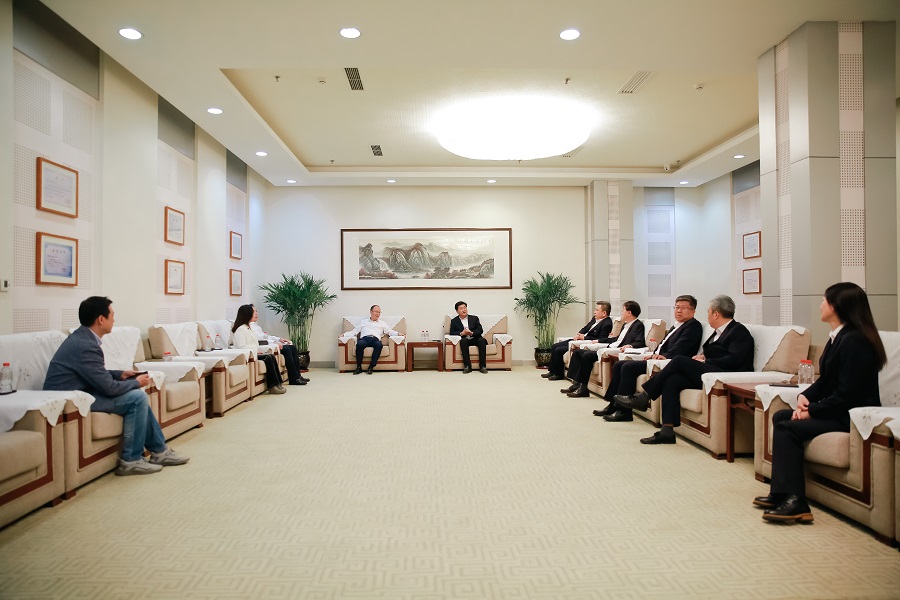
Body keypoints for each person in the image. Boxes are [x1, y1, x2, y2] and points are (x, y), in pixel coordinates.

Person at [753, 282, 885, 523]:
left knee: (787, 428)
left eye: (825, 300)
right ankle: (780, 493)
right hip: (839, 409)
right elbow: (825, 382)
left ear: (837, 306)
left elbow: (848, 393)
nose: (821, 304)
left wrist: (812, 411)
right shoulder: (839, 337)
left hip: (852, 416)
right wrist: (806, 398)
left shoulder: (855, 340)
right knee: (781, 416)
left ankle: (796, 501)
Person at [44, 296, 190, 476]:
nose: (114, 319)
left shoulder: (83, 338)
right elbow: (109, 388)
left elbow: (92, 372)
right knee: (137, 397)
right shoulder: (84, 345)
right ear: (101, 319)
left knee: (137, 395)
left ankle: (159, 452)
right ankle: (131, 460)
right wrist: (136, 382)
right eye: (112, 315)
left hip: (82, 392)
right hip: (71, 400)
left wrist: (120, 374)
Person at [615, 294, 754, 444]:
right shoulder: (718, 332)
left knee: (679, 360)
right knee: (672, 380)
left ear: (716, 314)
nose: (707, 315)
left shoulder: (738, 331)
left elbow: (735, 359)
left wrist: (706, 360)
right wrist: (703, 356)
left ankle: (645, 396)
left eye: (708, 312)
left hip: (725, 375)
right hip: (712, 371)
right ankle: (667, 431)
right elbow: (718, 352)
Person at [595, 295, 703, 422]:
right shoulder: (676, 326)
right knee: (619, 364)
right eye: (677, 307)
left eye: (683, 308)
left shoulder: (693, 326)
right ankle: (613, 405)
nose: (679, 311)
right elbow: (662, 345)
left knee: (628, 366)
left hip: (668, 362)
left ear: (693, 311)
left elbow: (681, 347)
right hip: (656, 359)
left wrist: (663, 356)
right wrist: (653, 354)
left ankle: (624, 412)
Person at [562, 301, 646, 398]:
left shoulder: (638, 325)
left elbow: (640, 342)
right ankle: (576, 384)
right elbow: (616, 339)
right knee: (578, 352)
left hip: (617, 350)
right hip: (611, 346)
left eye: (623, 310)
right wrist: (599, 340)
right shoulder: (625, 325)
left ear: (629, 313)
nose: (621, 312)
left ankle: (583, 389)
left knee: (587, 355)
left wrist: (630, 346)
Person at [543, 301, 613, 381]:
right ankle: (552, 371)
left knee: (558, 350)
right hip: (579, 339)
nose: (594, 312)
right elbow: (585, 328)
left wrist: (584, 338)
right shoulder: (594, 319)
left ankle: (558, 374)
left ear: (604, 313)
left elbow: (600, 339)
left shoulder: (607, 324)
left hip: (586, 342)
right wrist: (579, 334)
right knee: (554, 346)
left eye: (597, 310)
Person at [233, 304, 287, 394]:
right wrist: (255, 352)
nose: (255, 314)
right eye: (253, 312)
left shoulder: (249, 328)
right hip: (248, 356)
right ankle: (272, 386)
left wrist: (258, 351)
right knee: (269, 358)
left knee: (271, 356)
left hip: (254, 353)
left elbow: (255, 344)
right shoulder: (240, 329)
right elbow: (242, 347)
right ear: (247, 314)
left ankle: (278, 384)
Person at [248, 305, 308, 384]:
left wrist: (279, 339)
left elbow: (266, 336)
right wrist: (274, 343)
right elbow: (260, 340)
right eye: (254, 312)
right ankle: (293, 379)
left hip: (270, 344)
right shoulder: (249, 327)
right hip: (264, 347)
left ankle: (298, 376)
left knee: (292, 347)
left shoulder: (256, 326)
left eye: (256, 311)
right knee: (287, 350)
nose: (256, 313)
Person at [341, 305, 399, 374]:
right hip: (364, 339)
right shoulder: (363, 322)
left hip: (375, 339)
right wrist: (344, 335)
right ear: (371, 312)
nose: (378, 314)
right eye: (376, 312)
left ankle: (371, 367)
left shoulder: (382, 323)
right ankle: (358, 367)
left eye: (379, 312)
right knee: (359, 344)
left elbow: (389, 331)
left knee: (379, 345)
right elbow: (354, 332)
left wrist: (398, 334)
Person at [449, 301, 488, 374]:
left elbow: (480, 330)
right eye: (461, 308)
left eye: (465, 308)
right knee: (463, 341)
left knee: (482, 340)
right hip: (465, 339)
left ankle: (483, 366)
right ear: (457, 311)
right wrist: (462, 333)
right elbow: (452, 332)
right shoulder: (454, 321)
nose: (464, 310)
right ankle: (467, 366)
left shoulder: (474, 318)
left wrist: (472, 333)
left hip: (475, 338)